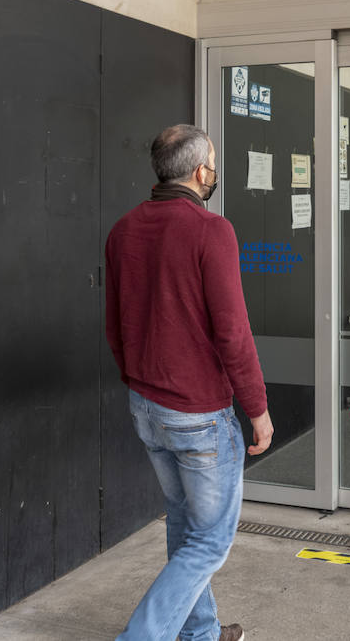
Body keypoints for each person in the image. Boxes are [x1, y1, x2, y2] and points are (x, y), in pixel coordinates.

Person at [105, 123, 273, 641]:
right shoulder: (210, 231)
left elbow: (116, 326)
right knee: (210, 542)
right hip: (198, 415)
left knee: (183, 526)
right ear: (203, 172)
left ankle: (199, 634)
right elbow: (233, 332)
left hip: (146, 406)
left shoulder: (123, 230)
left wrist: (139, 385)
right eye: (215, 162)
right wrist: (258, 409)